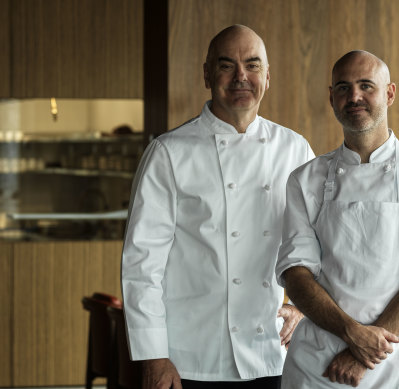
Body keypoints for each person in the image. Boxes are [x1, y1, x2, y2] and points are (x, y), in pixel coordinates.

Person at [121, 25, 314, 389]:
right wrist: (153, 357)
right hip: (189, 359)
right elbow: (142, 263)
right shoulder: (169, 153)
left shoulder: (296, 150)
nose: (241, 76)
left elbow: (312, 244)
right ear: (207, 74)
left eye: (253, 65)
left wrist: (302, 306)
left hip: (271, 353)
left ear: (267, 77)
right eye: (227, 65)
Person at [275, 50, 399, 388]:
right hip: (318, 366)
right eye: (343, 87)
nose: (354, 96)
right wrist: (351, 333)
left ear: (389, 93)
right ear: (332, 97)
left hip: (396, 367)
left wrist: (362, 352)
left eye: (366, 86)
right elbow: (296, 273)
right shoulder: (305, 179)